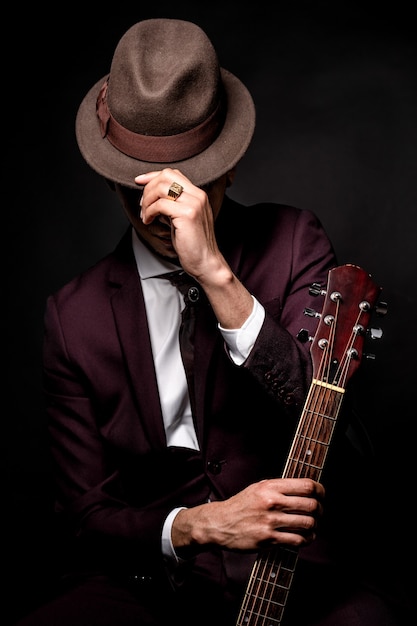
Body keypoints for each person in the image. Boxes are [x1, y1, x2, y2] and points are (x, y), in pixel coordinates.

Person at [15, 18, 398, 626]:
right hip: (153, 579)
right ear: (117, 183)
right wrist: (194, 527)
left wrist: (217, 275)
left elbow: (325, 412)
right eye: (143, 184)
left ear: (228, 169)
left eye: (190, 182)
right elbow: (84, 517)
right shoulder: (73, 316)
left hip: (295, 569)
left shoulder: (294, 240)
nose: (168, 212)